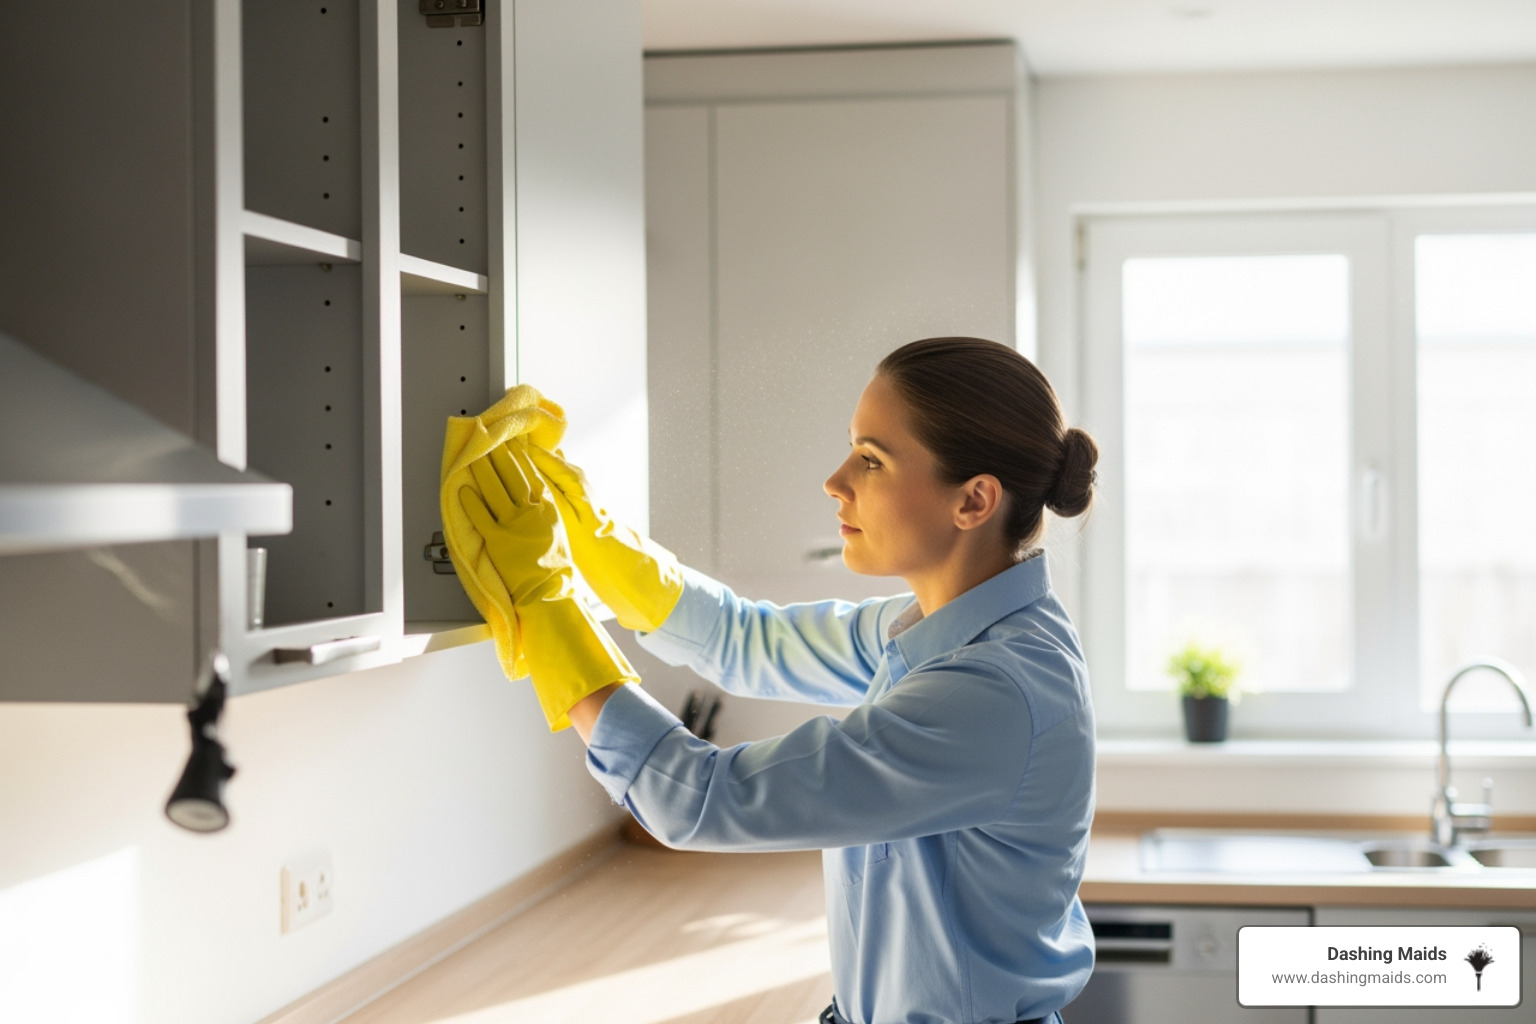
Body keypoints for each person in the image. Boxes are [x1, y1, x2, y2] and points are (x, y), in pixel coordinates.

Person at [459, 336, 1099, 1024]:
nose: (836, 480)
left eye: (872, 460)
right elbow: (749, 640)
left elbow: (701, 798)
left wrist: (549, 608)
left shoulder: (993, 691)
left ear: (973, 501)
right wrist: (600, 546)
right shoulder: (936, 631)